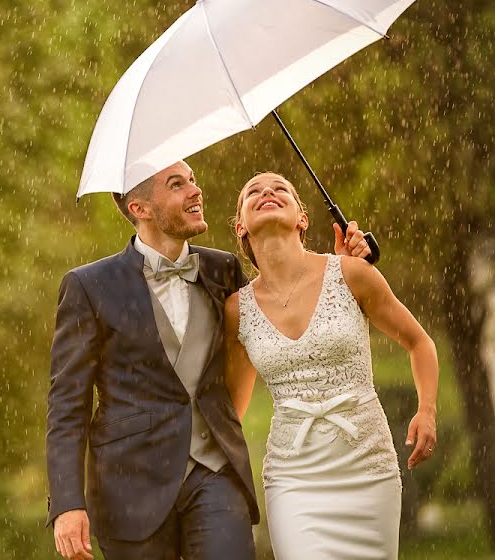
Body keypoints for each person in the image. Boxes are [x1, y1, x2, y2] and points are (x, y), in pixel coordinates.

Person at [45, 161, 369, 560]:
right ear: (140, 209)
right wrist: (66, 503)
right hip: (128, 485)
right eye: (177, 185)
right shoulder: (89, 286)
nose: (196, 191)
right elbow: (66, 406)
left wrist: (342, 270)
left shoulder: (222, 270)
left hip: (216, 473)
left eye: (194, 180)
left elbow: (285, 304)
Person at [224, 172, 439, 560]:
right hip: (293, 479)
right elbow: (232, 412)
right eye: (252, 191)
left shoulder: (352, 273)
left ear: (303, 219)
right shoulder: (236, 311)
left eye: (280, 189)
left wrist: (427, 410)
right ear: (241, 225)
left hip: (367, 468)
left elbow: (418, 341)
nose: (267, 192)